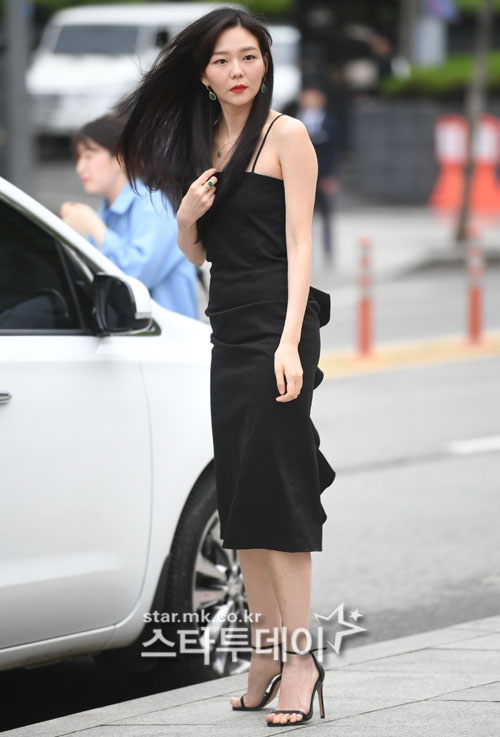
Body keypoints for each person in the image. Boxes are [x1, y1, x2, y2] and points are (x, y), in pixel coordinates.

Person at [115, 7, 336, 727]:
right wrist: (185, 221)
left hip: (279, 328)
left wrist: (288, 338)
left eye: (248, 57)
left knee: (280, 496)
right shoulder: (205, 143)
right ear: (204, 75)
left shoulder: (287, 136)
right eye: (222, 61)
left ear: (264, 63)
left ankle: (301, 658)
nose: (237, 72)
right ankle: (267, 650)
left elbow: (301, 245)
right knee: (242, 502)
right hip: (229, 329)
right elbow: (204, 255)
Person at [60, 115, 198, 319]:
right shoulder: (106, 210)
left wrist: (95, 228)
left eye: (89, 156)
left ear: (121, 157)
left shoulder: (151, 204)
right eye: (78, 158)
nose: (80, 167)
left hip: (169, 338)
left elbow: (138, 276)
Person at [284, 87, 338, 262]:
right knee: (299, 216)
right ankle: (300, 250)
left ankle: (328, 251)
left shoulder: (329, 121)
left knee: (326, 216)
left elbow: (333, 151)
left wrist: (330, 176)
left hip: (322, 174)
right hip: (299, 177)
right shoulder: (293, 121)